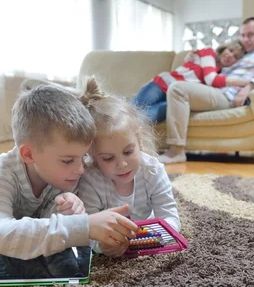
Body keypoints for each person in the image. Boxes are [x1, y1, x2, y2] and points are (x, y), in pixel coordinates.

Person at [0, 84, 138, 260]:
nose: (81, 169)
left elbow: (54, 229)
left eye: (83, 157)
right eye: (68, 160)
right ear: (29, 154)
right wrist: (85, 226)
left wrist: (77, 217)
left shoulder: (66, 174)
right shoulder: (0, 177)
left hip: (29, 172)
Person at [158, 17, 254, 164]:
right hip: (214, 90)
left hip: (226, 96)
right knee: (167, 97)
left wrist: (251, 85)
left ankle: (176, 152)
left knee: (177, 89)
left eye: (251, 35)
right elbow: (213, 69)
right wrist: (191, 59)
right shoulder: (242, 55)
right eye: (243, 35)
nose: (246, 39)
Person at [77, 77, 180, 257]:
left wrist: (157, 236)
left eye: (128, 152)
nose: (122, 164)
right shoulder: (91, 180)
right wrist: (101, 246)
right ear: (92, 157)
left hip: (148, 232)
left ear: (139, 140)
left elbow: (169, 214)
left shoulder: (152, 170)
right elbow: (87, 227)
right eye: (108, 158)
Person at [131, 42, 247, 123]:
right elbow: (211, 79)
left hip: (175, 97)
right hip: (162, 84)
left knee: (146, 118)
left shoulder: (223, 75)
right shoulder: (208, 52)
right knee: (130, 111)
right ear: (224, 48)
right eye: (230, 50)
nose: (230, 55)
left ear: (236, 62)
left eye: (235, 56)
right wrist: (247, 82)